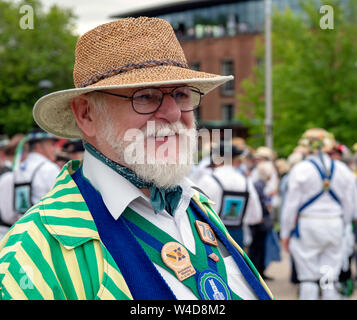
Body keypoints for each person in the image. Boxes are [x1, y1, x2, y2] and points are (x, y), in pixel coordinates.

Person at [0, 17, 273, 300]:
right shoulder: (34, 251)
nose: (174, 113)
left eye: (180, 94)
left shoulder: (198, 207)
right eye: (145, 96)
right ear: (86, 114)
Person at [280, 128, 357, 300]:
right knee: (330, 277)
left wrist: (285, 233)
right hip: (335, 223)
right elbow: (349, 205)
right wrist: (343, 226)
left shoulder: (300, 169)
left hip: (308, 224)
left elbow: (290, 206)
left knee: (308, 278)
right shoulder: (343, 170)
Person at [194, 144, 263, 250]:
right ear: (235, 159)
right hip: (238, 238)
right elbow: (256, 216)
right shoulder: (246, 182)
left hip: (210, 237)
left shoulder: (207, 180)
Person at [0, 128, 60, 227]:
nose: (55, 149)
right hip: (43, 232)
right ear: (39, 146)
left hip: (17, 231)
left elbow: (7, 213)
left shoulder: (16, 170)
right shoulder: (49, 169)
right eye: (52, 145)